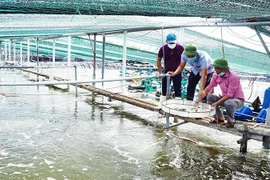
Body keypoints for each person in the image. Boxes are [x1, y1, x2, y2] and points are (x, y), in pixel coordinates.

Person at [195, 58, 245, 128]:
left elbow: (229, 95)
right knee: (210, 97)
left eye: (217, 68)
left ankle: (231, 121)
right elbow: (210, 86)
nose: (215, 70)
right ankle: (219, 117)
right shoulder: (216, 75)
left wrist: (217, 102)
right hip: (225, 99)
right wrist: (200, 98)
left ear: (224, 69)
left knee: (229, 103)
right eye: (215, 68)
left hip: (237, 100)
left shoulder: (234, 77)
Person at [157, 33, 184, 100]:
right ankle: (162, 102)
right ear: (166, 41)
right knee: (164, 88)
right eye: (170, 43)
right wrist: (160, 73)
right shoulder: (163, 49)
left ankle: (177, 103)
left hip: (177, 71)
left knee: (177, 87)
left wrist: (177, 72)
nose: (172, 45)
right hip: (166, 71)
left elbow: (184, 61)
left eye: (173, 43)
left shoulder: (181, 48)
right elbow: (158, 60)